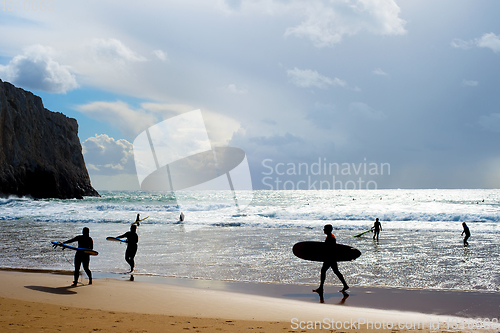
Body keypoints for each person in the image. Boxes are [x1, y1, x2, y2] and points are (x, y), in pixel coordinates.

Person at [313, 224, 349, 294]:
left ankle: (321, 288)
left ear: (328, 230)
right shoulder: (329, 237)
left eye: (325, 229)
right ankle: (345, 285)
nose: (323, 230)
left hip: (330, 258)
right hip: (331, 257)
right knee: (336, 271)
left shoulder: (331, 238)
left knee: (324, 271)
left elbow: (331, 249)